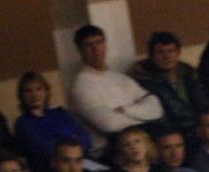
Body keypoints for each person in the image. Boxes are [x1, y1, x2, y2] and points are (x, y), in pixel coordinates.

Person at [68, 25, 163, 160]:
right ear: (80, 50)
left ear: (105, 45)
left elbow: (156, 108)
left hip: (138, 146)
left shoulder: (120, 78)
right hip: (109, 152)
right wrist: (142, 113)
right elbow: (110, 124)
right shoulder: (81, 86)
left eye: (99, 42)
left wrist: (125, 110)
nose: (96, 49)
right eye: (88, 45)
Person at [129, 32, 209, 142]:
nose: (167, 56)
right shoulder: (145, 83)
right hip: (172, 137)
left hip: (201, 130)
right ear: (151, 56)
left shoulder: (189, 74)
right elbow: (160, 120)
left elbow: (203, 104)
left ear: (178, 53)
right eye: (160, 52)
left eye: (170, 51)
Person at [13, 71, 92, 172]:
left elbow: (85, 137)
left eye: (39, 89)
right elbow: (45, 150)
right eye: (28, 91)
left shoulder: (61, 113)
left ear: (47, 92)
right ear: (21, 96)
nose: (34, 94)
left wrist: (76, 155)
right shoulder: (23, 123)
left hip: (80, 162)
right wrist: (72, 145)